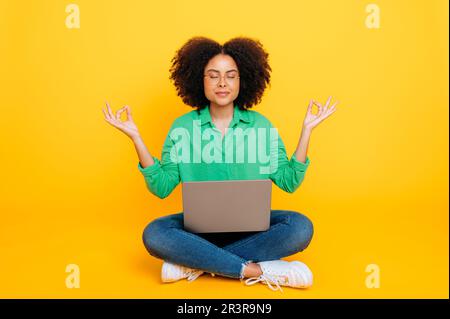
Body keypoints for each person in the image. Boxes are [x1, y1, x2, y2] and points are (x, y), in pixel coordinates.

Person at [102, 36, 338, 292]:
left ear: (243, 80)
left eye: (231, 75)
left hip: (251, 232)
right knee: (155, 233)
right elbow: (161, 187)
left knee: (300, 227)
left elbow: (289, 181)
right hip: (199, 233)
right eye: (213, 75)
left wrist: (307, 131)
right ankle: (257, 270)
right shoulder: (183, 128)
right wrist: (136, 137)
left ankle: (195, 263)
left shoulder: (261, 125)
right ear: (199, 80)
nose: (222, 83)